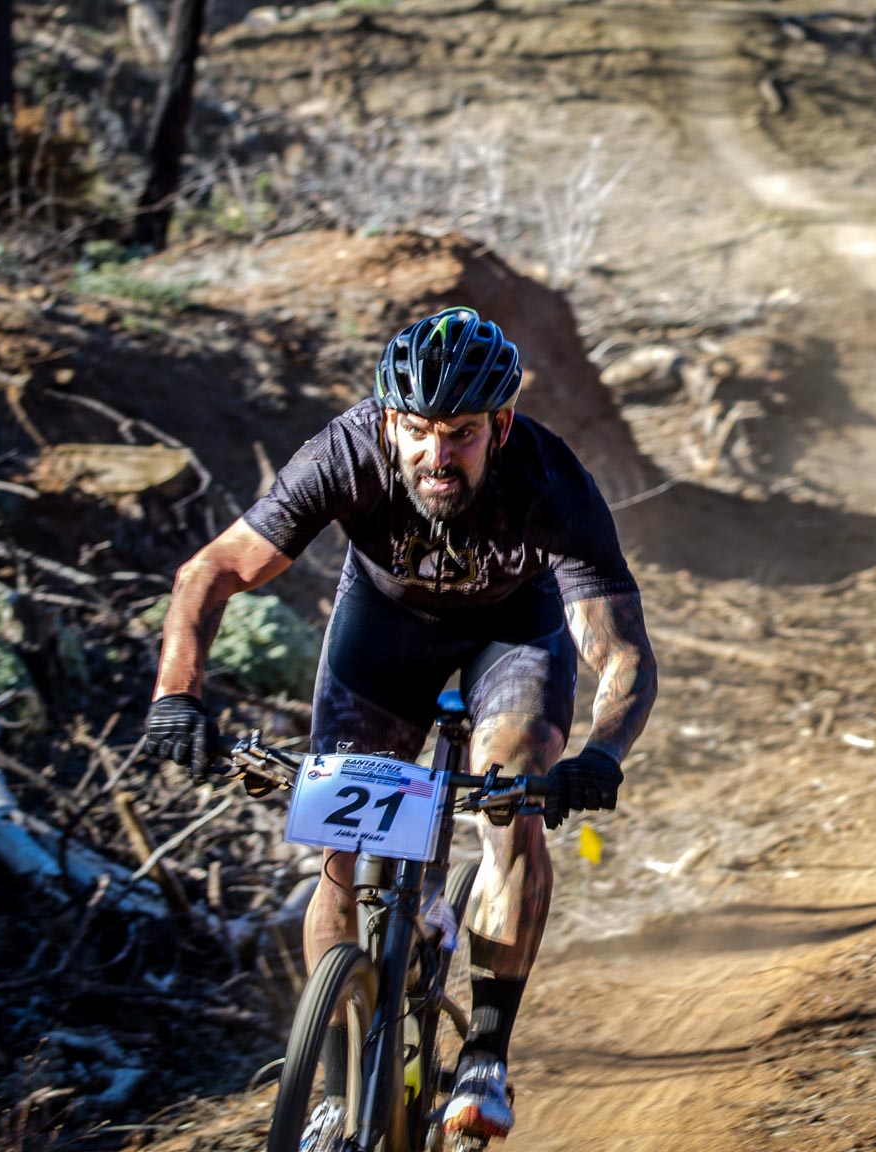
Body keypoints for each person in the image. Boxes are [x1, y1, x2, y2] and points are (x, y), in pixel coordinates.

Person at [138, 307, 659, 1146]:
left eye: (460, 434)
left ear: (501, 427)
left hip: (513, 635)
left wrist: (600, 754)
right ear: (388, 421)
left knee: (510, 799)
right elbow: (215, 569)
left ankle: (484, 1054)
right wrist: (177, 695)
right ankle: (336, 1088)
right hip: (384, 632)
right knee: (340, 861)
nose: (436, 455)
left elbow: (622, 651)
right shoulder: (344, 454)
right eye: (416, 430)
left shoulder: (549, 480)